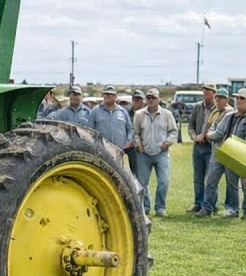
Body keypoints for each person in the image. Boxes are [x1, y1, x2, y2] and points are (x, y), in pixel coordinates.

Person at [210, 87, 246, 219]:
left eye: (242, 98)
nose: (238, 100)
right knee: (231, 185)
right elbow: (219, 132)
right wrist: (209, 135)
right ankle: (233, 210)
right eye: (237, 97)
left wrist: (239, 148)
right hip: (231, 155)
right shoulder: (231, 115)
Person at [132, 88, 177, 217]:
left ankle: (160, 207)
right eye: (148, 98)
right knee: (142, 182)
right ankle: (145, 207)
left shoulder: (167, 114)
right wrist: (138, 145)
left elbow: (173, 132)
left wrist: (167, 143)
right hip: (143, 154)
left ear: (159, 99)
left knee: (164, 181)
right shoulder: (139, 114)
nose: (151, 100)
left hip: (161, 153)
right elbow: (135, 133)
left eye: (153, 98)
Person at [199, 89, 238, 217]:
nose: (218, 100)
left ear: (226, 99)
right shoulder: (215, 112)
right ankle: (207, 208)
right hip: (216, 152)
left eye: (221, 98)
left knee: (231, 184)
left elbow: (218, 134)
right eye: (217, 98)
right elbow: (211, 128)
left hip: (228, 153)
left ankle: (231, 209)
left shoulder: (230, 113)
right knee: (211, 182)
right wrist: (211, 133)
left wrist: (210, 135)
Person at [186, 84, 217, 213]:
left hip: (211, 147)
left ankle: (210, 205)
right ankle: (198, 203)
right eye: (204, 92)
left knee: (211, 179)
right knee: (198, 179)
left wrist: (207, 136)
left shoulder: (219, 108)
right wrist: (194, 137)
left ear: (214, 93)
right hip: (198, 147)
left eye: (208, 92)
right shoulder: (198, 107)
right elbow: (190, 126)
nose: (205, 94)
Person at [88, 85, 133, 157]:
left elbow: (129, 128)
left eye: (110, 94)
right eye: (105, 94)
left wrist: (128, 141)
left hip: (120, 151)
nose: (107, 96)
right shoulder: (95, 111)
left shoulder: (122, 111)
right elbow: (89, 130)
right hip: (101, 152)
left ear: (116, 96)